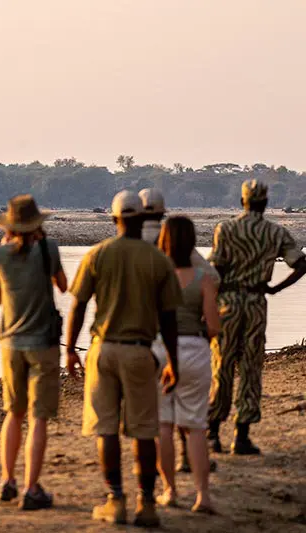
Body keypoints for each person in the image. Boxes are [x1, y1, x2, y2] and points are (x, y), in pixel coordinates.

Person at [66, 190, 182, 528]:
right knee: (145, 430)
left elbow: (79, 305)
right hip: (139, 352)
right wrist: (173, 360)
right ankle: (147, 504)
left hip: (104, 349)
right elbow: (170, 318)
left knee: (106, 430)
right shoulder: (157, 260)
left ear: (114, 219)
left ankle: (115, 499)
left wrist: (71, 349)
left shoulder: (97, 255)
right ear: (142, 219)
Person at [207, 180, 306, 454]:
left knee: (222, 364)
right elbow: (300, 264)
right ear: (265, 203)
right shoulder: (276, 233)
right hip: (255, 303)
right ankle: (242, 436)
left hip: (227, 302)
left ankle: (213, 431)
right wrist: (275, 288)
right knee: (251, 366)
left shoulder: (225, 229)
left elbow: (215, 270)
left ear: (242, 202)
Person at [0, 194, 68, 511]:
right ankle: (31, 487)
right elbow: (62, 286)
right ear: (37, 225)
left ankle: (7, 480)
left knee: (14, 414)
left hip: (10, 344)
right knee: (39, 419)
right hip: (43, 346)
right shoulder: (49, 249)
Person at [139, 187, 219, 474]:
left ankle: (162, 484)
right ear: (162, 210)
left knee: (160, 418)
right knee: (192, 416)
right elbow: (212, 277)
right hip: (191, 343)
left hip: (149, 341)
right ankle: (191, 461)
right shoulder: (174, 238)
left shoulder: (128, 240)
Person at [154, 216, 220, 514]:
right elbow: (214, 327)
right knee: (195, 427)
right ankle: (202, 496)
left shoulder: (156, 276)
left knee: (164, 426)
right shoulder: (203, 279)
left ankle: (169, 491)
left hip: (160, 351)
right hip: (195, 349)